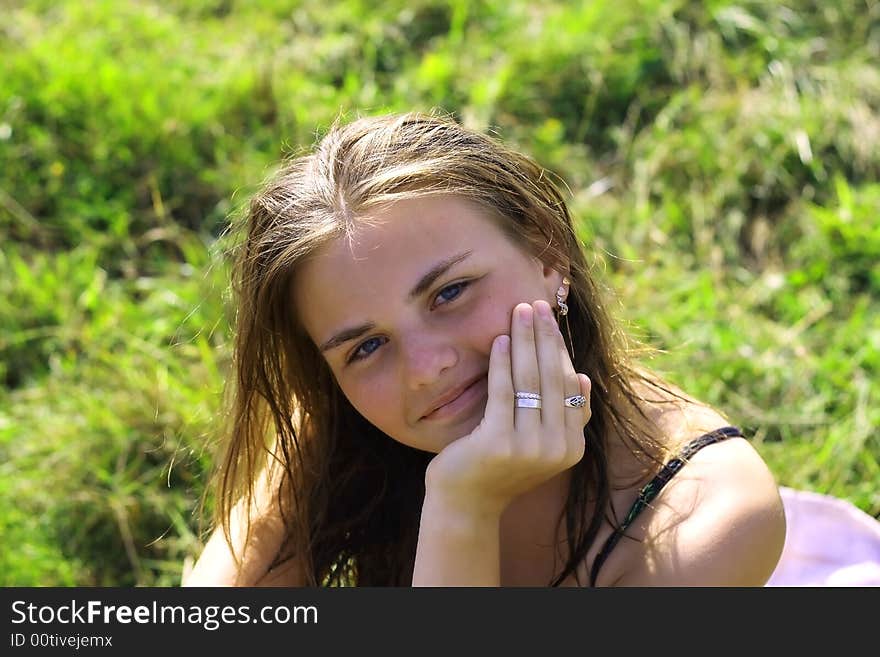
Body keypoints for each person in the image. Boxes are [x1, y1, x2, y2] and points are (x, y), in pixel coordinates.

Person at [183, 111, 786, 587]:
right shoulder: (339, 420)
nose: (426, 368)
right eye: (366, 345)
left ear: (547, 254)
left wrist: (463, 510)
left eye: (450, 292)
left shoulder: (707, 517)